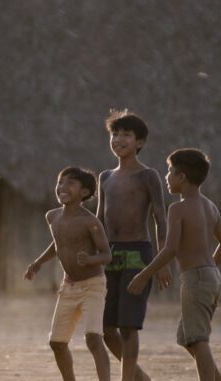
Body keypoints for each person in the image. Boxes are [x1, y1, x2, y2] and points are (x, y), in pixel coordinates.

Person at [128, 148, 221, 381]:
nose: (166, 177)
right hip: (212, 277)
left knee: (198, 339)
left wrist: (144, 275)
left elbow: (171, 249)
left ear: (182, 177)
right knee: (187, 337)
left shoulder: (178, 208)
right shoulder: (210, 206)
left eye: (169, 172)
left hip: (196, 279)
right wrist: (211, 268)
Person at [96, 110, 170, 381]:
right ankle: (139, 377)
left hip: (138, 254)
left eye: (126, 135)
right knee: (106, 328)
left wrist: (161, 262)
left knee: (128, 327)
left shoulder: (147, 176)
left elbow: (160, 219)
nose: (118, 139)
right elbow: (98, 220)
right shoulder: (105, 177)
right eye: (114, 134)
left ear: (139, 142)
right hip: (109, 255)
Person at [26, 167, 112, 381]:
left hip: (93, 284)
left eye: (70, 183)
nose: (62, 187)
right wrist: (38, 263)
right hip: (68, 287)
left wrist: (90, 260)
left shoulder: (90, 221)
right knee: (57, 343)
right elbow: (58, 244)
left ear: (84, 193)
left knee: (93, 338)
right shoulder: (52, 216)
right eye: (60, 183)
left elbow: (107, 255)